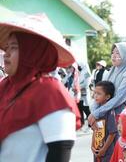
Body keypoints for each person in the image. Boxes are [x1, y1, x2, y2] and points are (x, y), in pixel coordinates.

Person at [0, 14, 81, 162]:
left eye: (14, 48)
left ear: (31, 53)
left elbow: (61, 149)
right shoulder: (5, 87)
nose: (6, 54)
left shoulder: (50, 92)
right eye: (6, 47)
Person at [88, 42, 126, 128]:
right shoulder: (111, 72)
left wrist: (97, 113)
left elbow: (118, 99)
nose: (113, 55)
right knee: (102, 141)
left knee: (117, 141)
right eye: (112, 52)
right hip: (106, 117)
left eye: (117, 53)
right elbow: (100, 92)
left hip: (123, 120)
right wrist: (94, 111)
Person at [91, 81, 117, 162]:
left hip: (107, 152)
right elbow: (95, 130)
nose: (95, 96)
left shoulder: (110, 112)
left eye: (99, 94)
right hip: (97, 149)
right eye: (95, 93)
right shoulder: (96, 111)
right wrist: (92, 146)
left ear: (107, 96)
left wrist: (104, 149)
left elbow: (112, 133)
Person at [78, 62, 92, 130]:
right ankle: (82, 125)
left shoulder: (86, 73)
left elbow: (86, 83)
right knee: (80, 109)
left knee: (86, 110)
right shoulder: (80, 72)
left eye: (79, 65)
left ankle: (91, 125)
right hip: (80, 94)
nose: (78, 67)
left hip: (85, 93)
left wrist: (78, 87)